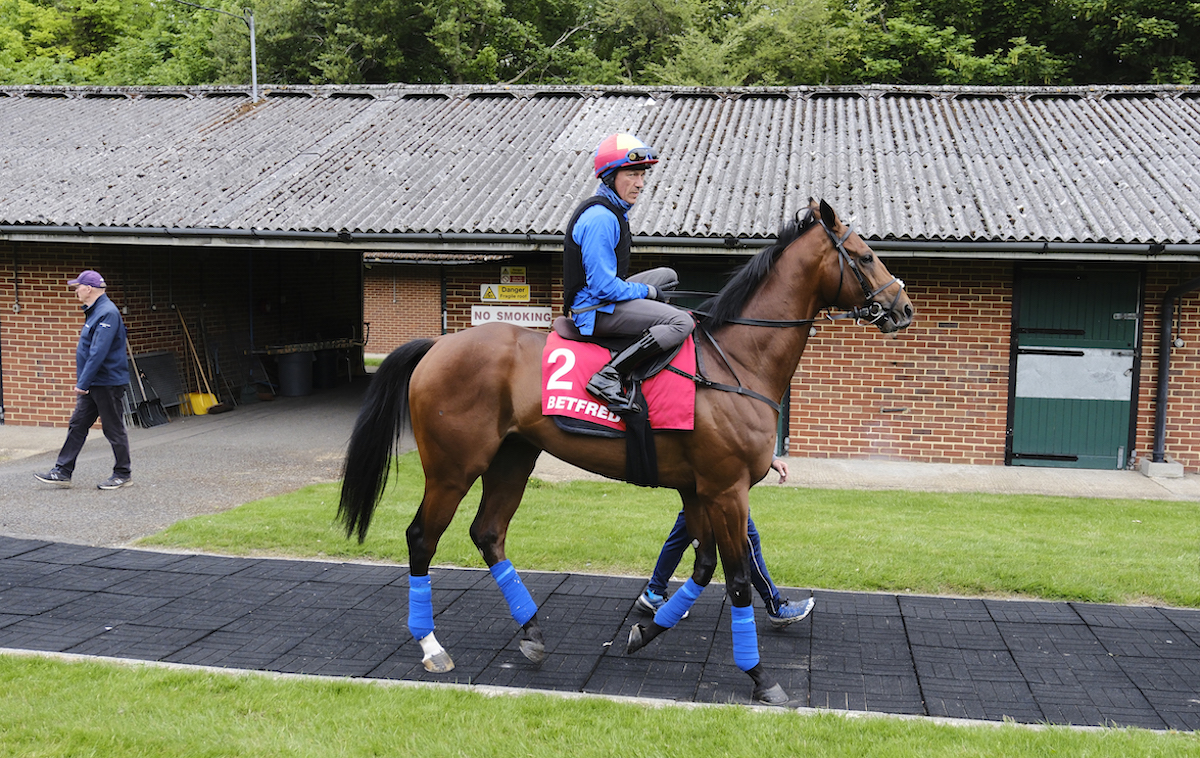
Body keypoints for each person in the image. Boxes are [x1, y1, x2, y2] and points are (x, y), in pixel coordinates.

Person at [563, 132, 695, 413]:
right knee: (682, 323)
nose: (640, 184)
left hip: (603, 296)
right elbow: (604, 288)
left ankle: (649, 332)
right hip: (594, 309)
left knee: (667, 276)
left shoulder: (613, 211)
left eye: (642, 176)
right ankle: (608, 374)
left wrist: (652, 290)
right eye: (633, 175)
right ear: (610, 177)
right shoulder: (601, 219)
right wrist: (647, 292)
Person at [637, 458, 814, 628]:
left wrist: (771, 458)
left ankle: (654, 592)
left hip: (704, 474)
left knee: (683, 532)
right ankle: (776, 607)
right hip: (717, 478)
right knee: (746, 540)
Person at [34, 270, 133, 490]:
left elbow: (98, 352)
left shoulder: (106, 312)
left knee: (113, 428)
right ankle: (62, 471)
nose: (76, 291)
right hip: (94, 383)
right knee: (77, 425)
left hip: (106, 383)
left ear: (88, 289)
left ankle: (123, 473)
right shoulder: (95, 311)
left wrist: (82, 383)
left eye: (77, 287)